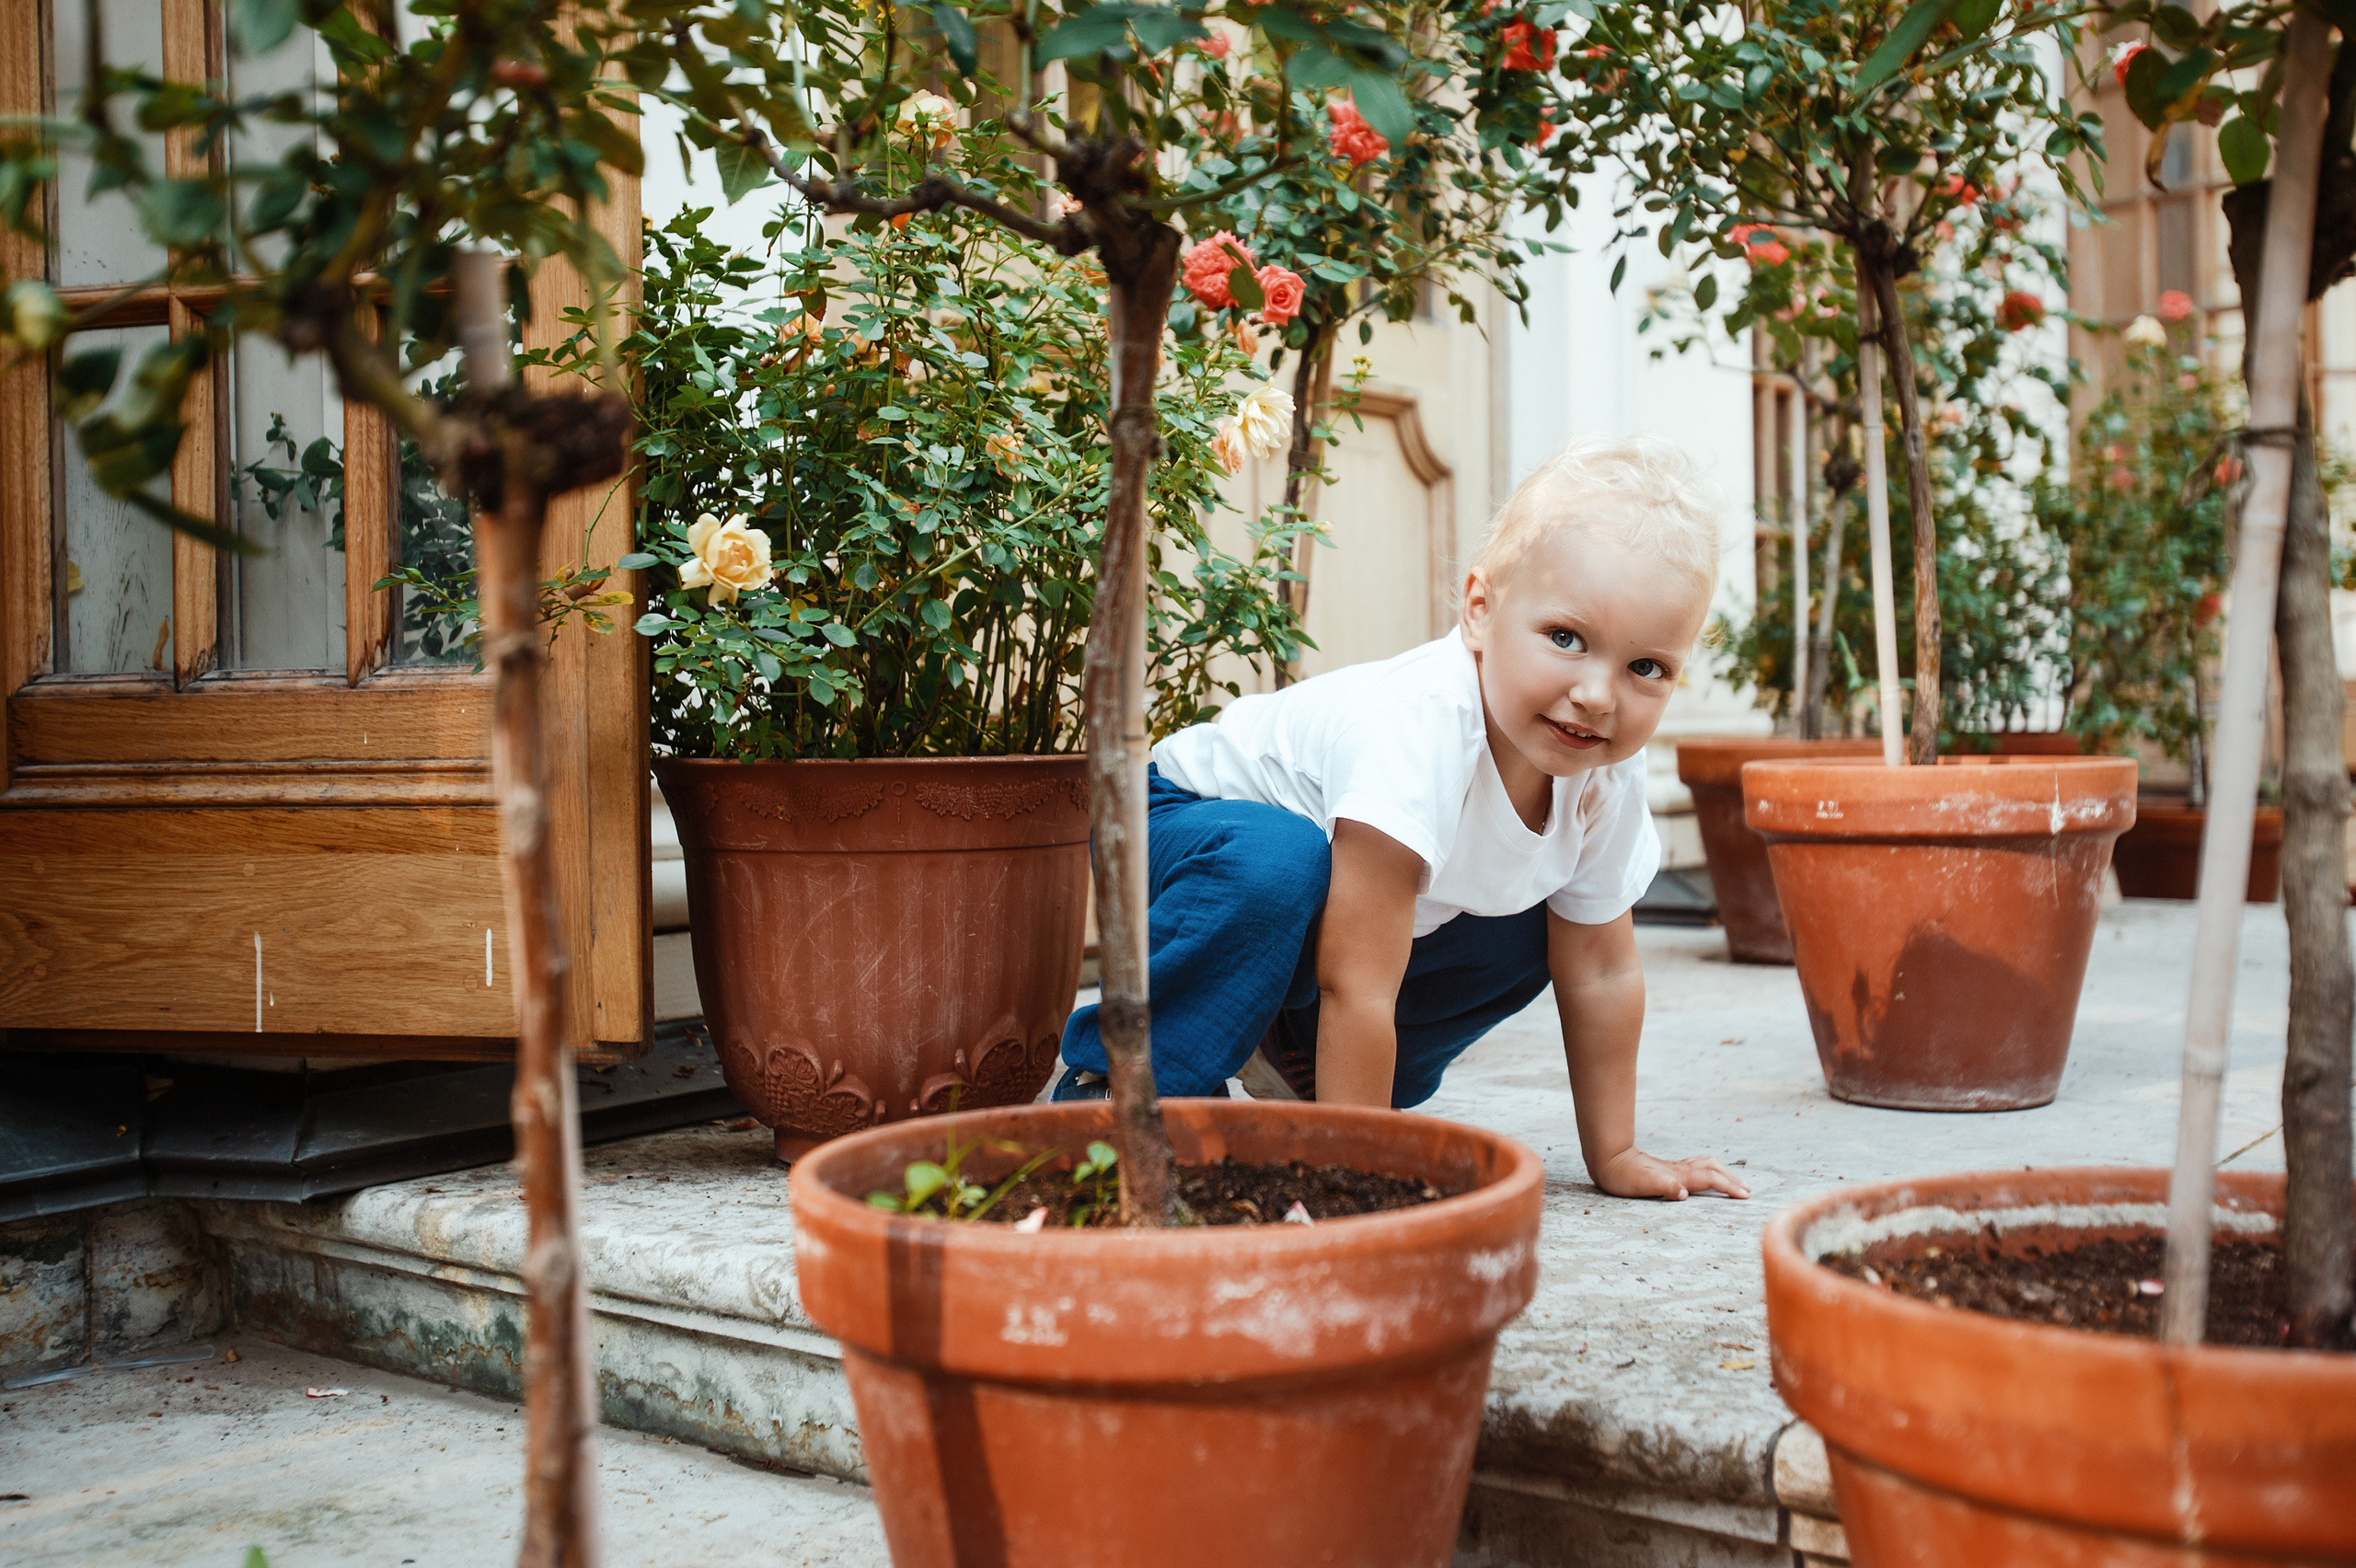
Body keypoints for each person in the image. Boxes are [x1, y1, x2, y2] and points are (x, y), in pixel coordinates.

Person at [1056, 433, 1750, 1202]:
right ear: (1480, 611)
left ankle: (1302, 1069)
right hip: (1185, 823)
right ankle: (1120, 1098)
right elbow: (1360, 982)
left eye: (1645, 667)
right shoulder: (1419, 729)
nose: (1598, 694)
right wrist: (1353, 1179)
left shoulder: (1602, 771)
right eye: (1565, 638)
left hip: (1316, 906)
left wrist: (1614, 1155)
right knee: (1279, 863)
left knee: (1548, 922)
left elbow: (1603, 969)